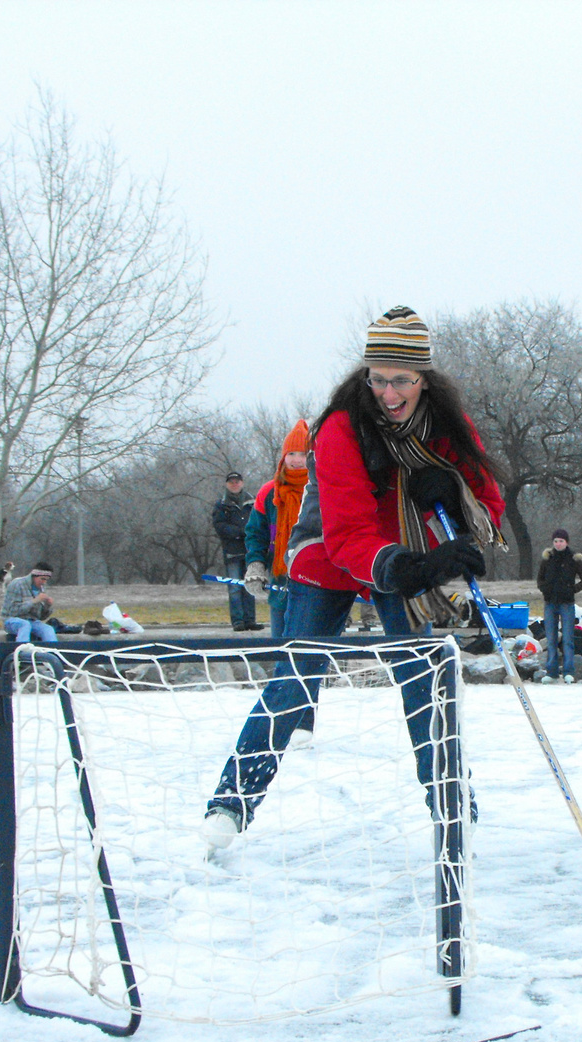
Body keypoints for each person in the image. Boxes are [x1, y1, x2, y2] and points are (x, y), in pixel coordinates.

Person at [204, 306, 505, 848]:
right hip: (328, 554)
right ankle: (231, 802)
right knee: (296, 677)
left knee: (423, 682)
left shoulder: (447, 427)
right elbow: (346, 532)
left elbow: (487, 502)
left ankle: (451, 800)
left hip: (406, 556)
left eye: (402, 380)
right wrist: (408, 567)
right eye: (379, 378)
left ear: (424, 379)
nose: (389, 393)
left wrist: (455, 504)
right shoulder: (342, 427)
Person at [243, 420, 312, 636]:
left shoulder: (323, 488)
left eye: (303, 453)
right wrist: (255, 565)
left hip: (316, 580)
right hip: (280, 580)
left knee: (314, 647)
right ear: (283, 457)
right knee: (281, 646)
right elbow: (256, 533)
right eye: (291, 454)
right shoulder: (269, 492)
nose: (297, 460)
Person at [535, 528, 582, 682]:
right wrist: (545, 590)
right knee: (551, 639)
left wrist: (572, 590)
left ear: (567, 542)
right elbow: (540, 579)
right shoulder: (548, 558)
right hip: (550, 603)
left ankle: (568, 672)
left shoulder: (574, 559)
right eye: (556, 541)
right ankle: (551, 672)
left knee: (567, 639)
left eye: (561, 541)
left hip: (567, 604)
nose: (558, 544)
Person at [213, 472, 262, 632]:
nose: (235, 484)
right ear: (227, 484)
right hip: (232, 552)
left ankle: (250, 620)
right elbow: (220, 526)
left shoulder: (252, 502)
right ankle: (238, 621)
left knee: (249, 586)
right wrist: (240, 532)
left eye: (237, 481)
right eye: (231, 482)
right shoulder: (221, 504)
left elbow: (260, 522)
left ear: (242, 483)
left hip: (249, 551)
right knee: (234, 587)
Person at [1, 562, 58, 644]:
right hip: (11, 620)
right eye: (42, 579)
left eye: (46, 580)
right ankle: (23, 651)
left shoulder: (41, 589)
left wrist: (48, 606)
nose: (44, 582)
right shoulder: (17, 584)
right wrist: (34, 601)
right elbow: (13, 611)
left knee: (48, 629)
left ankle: (52, 653)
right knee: (25, 625)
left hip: (32, 621)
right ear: (34, 576)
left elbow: (40, 617)